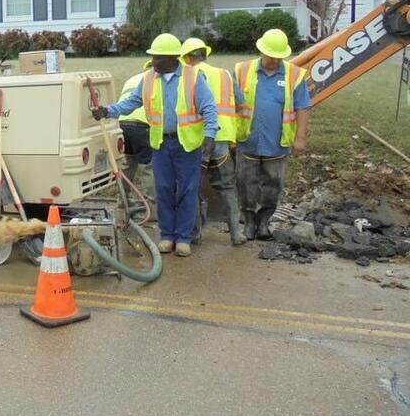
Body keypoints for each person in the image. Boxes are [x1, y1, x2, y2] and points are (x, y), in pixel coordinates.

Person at [92, 33, 218, 257]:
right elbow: (131, 102)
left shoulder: (193, 77)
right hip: (161, 143)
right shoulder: (149, 78)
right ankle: (167, 235)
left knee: (188, 191)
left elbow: (209, 107)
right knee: (164, 190)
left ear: (171, 58)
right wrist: (108, 111)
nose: (154, 61)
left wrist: (209, 135)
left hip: (187, 145)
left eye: (157, 57)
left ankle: (183, 238)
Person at [234, 28, 310, 241]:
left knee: (273, 184)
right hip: (247, 140)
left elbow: (302, 107)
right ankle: (248, 221)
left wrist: (300, 139)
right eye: (271, 56)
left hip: (277, 143)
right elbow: (229, 103)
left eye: (279, 57)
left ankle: (264, 221)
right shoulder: (242, 70)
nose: (274, 61)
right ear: (262, 51)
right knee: (245, 182)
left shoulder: (294, 75)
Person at [180, 37, 247, 246]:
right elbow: (241, 105)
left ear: (188, 58)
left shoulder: (189, 77)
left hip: (199, 138)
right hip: (223, 139)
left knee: (193, 186)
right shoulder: (225, 74)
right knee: (227, 186)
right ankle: (236, 233)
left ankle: (195, 234)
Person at [117, 60, 153, 187]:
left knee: (128, 165)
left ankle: (122, 203)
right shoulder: (156, 80)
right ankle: (151, 204)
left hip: (122, 125)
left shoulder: (131, 80)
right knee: (148, 168)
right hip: (143, 126)